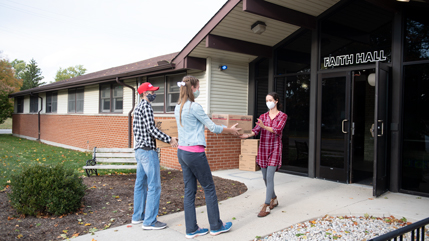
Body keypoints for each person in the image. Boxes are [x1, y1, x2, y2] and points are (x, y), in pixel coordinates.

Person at [174, 75, 241, 239]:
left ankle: (191, 229)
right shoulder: (194, 107)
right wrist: (231, 130)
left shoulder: (177, 107)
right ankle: (216, 226)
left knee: (189, 191)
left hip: (182, 152)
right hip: (195, 153)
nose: (199, 90)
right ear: (193, 88)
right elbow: (212, 127)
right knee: (209, 188)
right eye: (198, 87)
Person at [132, 82, 178, 230]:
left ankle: (137, 217)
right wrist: (169, 139)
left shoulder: (137, 107)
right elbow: (151, 129)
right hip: (147, 151)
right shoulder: (146, 106)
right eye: (151, 91)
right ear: (145, 93)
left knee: (140, 184)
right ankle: (150, 222)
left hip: (139, 151)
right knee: (154, 186)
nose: (154, 94)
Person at [240, 92, 287, 218]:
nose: (268, 102)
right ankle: (274, 198)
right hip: (263, 149)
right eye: (266, 100)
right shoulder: (263, 116)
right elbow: (256, 130)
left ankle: (266, 205)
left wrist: (263, 126)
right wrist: (246, 135)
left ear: (276, 101)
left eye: (270, 100)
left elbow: (277, 130)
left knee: (270, 177)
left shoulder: (282, 116)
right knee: (265, 178)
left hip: (275, 148)